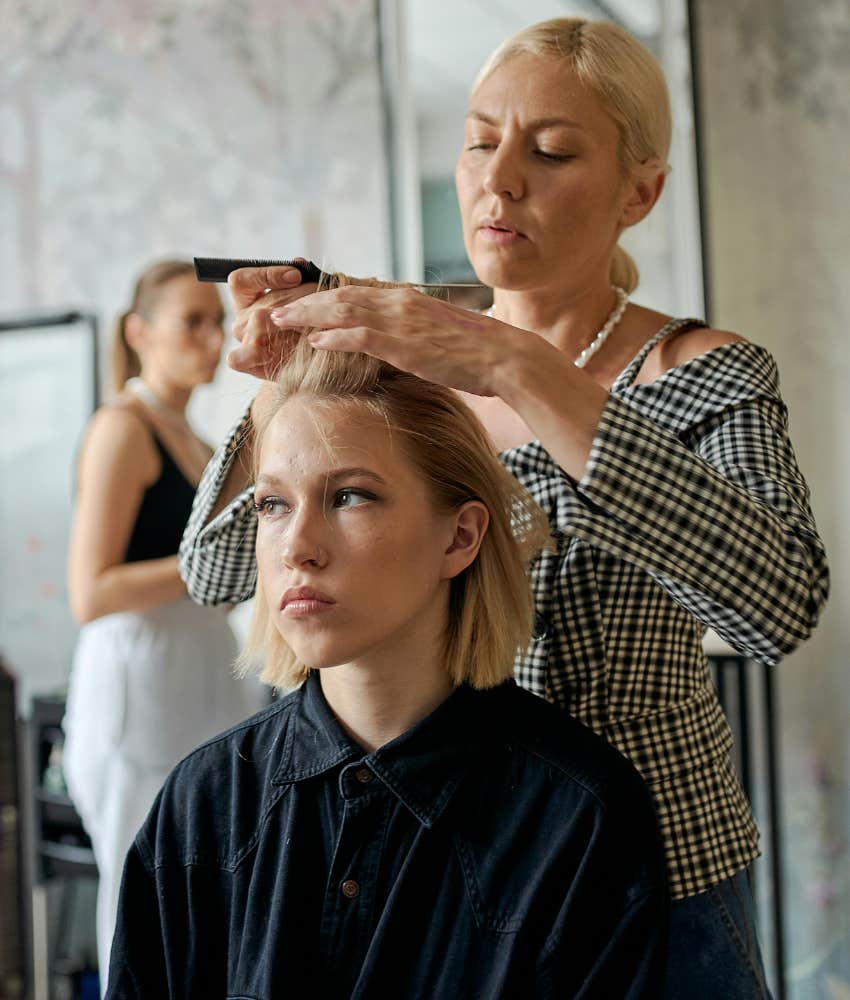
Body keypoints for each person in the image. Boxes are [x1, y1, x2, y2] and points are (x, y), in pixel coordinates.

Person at [179, 18, 829, 998]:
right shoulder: (407, 353)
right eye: (480, 139)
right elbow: (217, 572)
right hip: (444, 865)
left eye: (552, 150)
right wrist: (282, 380)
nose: (501, 177)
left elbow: (774, 605)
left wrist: (515, 366)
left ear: (640, 191)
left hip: (651, 875)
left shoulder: (702, 374)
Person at [107, 340, 667, 999]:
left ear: (460, 537)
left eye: (350, 496)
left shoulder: (581, 818)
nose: (298, 548)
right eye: (272, 505)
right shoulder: (203, 804)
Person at [62, 259, 266, 987]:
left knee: (202, 891)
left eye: (218, 322)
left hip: (198, 680)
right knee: (139, 894)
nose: (212, 339)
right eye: (193, 322)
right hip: (139, 684)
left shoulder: (198, 441)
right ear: (139, 332)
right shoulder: (122, 427)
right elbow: (91, 592)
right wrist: (206, 565)